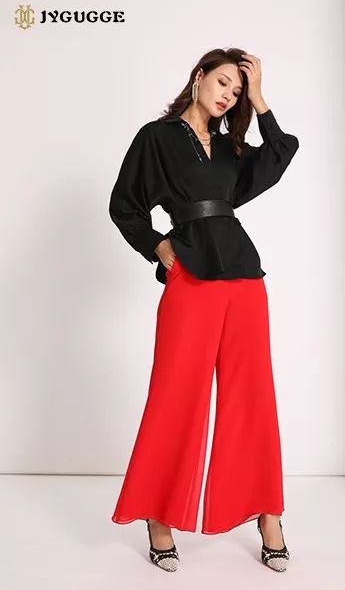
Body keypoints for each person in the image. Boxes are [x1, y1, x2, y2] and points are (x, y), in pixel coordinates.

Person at [108, 48, 299, 573]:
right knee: (175, 395)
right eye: (222, 83)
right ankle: (159, 517)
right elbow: (124, 205)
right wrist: (158, 247)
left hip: (244, 279)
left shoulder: (232, 148)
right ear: (198, 77)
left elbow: (281, 151)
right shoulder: (157, 137)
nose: (227, 96)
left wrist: (259, 98)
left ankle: (269, 517)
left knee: (253, 396)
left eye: (236, 91)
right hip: (190, 275)